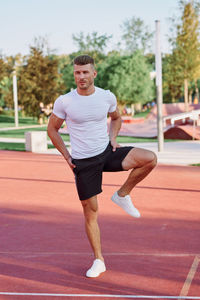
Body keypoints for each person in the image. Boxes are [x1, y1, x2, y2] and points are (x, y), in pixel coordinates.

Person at [47, 55, 157, 278]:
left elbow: (116, 118)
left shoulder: (106, 97)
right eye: (77, 72)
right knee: (91, 212)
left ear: (94, 74)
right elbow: (52, 130)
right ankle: (99, 260)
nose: (81, 76)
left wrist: (114, 138)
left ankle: (122, 194)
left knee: (150, 158)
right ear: (74, 75)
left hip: (107, 152)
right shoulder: (65, 101)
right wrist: (67, 156)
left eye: (85, 72)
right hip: (84, 162)